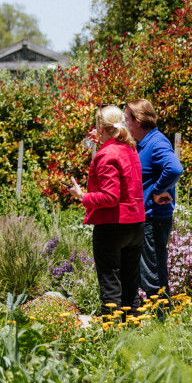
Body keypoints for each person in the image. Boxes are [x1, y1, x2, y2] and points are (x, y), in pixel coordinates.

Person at [68, 105, 145, 320]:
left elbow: (110, 197)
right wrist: (103, 141)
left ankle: (112, 339)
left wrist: (81, 196)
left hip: (113, 227)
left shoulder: (105, 156)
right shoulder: (130, 148)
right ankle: (134, 335)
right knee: (131, 285)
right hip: (136, 224)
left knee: (110, 284)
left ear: (102, 128)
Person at [124, 99, 183, 312]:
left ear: (138, 121)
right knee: (147, 274)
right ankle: (159, 319)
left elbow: (175, 168)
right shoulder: (144, 142)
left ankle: (163, 322)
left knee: (154, 275)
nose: (125, 123)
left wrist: (158, 190)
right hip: (146, 218)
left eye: (127, 119)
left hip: (155, 219)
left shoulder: (157, 142)